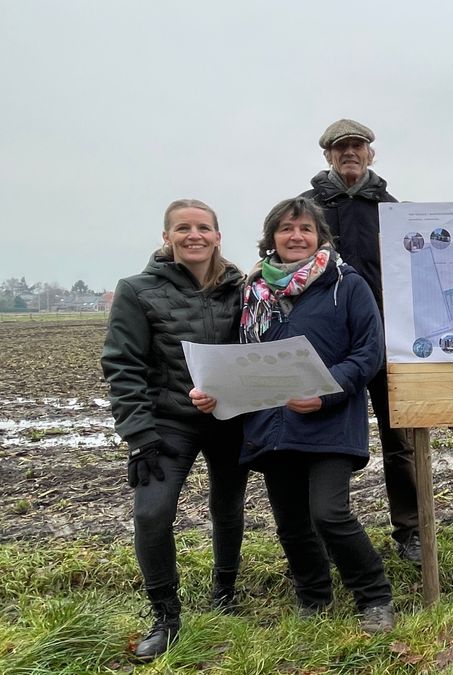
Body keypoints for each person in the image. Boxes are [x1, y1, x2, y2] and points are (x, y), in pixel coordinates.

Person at [193, 197, 395, 633]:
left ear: (320, 237)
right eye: (287, 229)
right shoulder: (252, 290)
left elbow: (369, 354)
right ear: (272, 238)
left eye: (305, 229)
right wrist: (212, 391)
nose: (296, 236)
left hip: (330, 420)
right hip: (270, 423)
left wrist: (324, 393)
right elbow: (235, 356)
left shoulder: (347, 284)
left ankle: (374, 597)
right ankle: (313, 599)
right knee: (291, 522)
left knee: (329, 513)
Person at [100, 199, 249, 661]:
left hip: (229, 419)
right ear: (166, 237)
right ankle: (165, 615)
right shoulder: (137, 290)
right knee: (151, 513)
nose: (194, 235)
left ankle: (224, 590)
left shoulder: (241, 289)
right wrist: (139, 433)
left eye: (203, 227)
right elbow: (123, 365)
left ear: (218, 236)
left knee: (228, 505)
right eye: (182, 228)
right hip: (168, 423)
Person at [302, 118, 421, 563]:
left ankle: (409, 530)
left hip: (391, 344)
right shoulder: (306, 210)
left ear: (371, 153)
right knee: (326, 441)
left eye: (357, 146)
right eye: (340, 147)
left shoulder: (394, 211)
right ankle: (329, 534)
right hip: (329, 348)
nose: (349, 153)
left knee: (402, 442)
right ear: (327, 156)